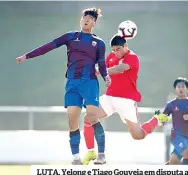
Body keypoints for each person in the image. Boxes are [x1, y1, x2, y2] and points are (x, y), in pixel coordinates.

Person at [16, 7, 111, 165]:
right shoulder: (70, 37)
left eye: (90, 18)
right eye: (84, 17)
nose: (86, 20)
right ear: (81, 20)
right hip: (72, 83)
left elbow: (101, 63)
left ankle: (101, 154)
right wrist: (27, 56)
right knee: (72, 121)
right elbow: (48, 46)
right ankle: (76, 158)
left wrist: (106, 76)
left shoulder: (99, 43)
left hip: (89, 82)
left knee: (93, 117)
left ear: (94, 23)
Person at [82, 34, 169, 165]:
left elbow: (119, 69)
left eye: (118, 49)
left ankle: (157, 118)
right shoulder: (111, 56)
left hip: (126, 101)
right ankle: (92, 152)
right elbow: (102, 67)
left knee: (138, 135)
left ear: (126, 46)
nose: (115, 52)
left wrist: (103, 71)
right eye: (113, 50)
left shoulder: (132, 57)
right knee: (88, 117)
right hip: (110, 98)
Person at [163, 77, 188, 165]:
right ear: (175, 90)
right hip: (176, 136)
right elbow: (163, 119)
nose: (180, 88)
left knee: (173, 163)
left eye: (183, 86)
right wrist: (160, 120)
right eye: (178, 87)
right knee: (187, 155)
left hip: (187, 137)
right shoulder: (171, 104)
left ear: (187, 89)